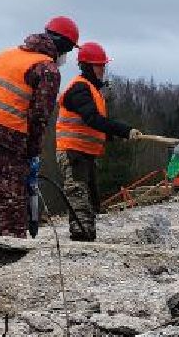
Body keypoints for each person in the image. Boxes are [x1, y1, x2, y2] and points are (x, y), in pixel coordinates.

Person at [0, 16, 77, 237]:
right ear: (63, 46)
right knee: (11, 198)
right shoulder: (47, 69)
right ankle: (12, 252)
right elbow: (39, 116)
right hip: (6, 135)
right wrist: (32, 152)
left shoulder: (7, 54)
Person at [54, 41, 139, 242]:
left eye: (104, 65)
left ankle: (85, 234)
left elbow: (94, 127)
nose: (103, 70)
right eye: (100, 65)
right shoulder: (80, 89)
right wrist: (124, 131)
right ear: (88, 66)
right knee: (78, 195)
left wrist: (116, 136)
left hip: (84, 152)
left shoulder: (91, 90)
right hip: (72, 151)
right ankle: (81, 236)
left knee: (90, 197)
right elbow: (92, 119)